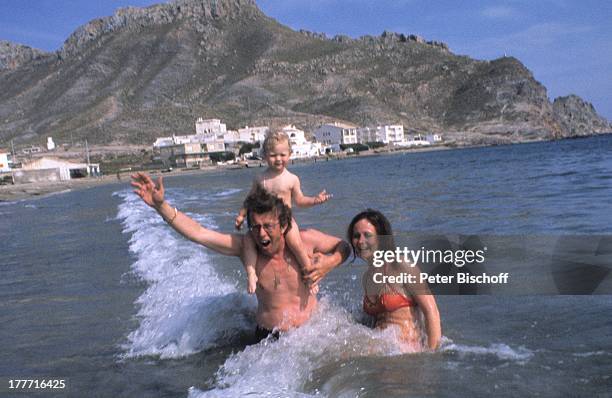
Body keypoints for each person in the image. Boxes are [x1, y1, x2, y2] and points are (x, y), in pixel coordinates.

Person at [130, 172, 350, 340]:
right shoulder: (246, 248)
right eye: (255, 227)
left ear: (284, 226)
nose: (261, 234)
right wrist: (161, 206)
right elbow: (198, 233)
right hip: (268, 338)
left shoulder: (306, 241)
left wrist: (330, 262)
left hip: (312, 333)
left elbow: (344, 246)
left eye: (268, 226)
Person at [235, 131, 331, 294]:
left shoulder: (292, 179)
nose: (278, 159)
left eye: (282, 154)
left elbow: (299, 200)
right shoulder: (260, 179)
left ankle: (309, 275)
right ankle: (251, 273)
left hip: (285, 221)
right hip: (263, 223)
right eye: (273, 155)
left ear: (290, 155)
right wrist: (241, 215)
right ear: (265, 156)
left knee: (297, 245)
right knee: (248, 241)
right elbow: (250, 199)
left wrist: (315, 200)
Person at [348, 209, 441, 350]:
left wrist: (433, 357)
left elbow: (431, 311)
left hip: (407, 355)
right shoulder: (367, 277)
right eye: (356, 236)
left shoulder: (401, 266)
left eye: (367, 235)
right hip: (384, 355)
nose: (361, 241)